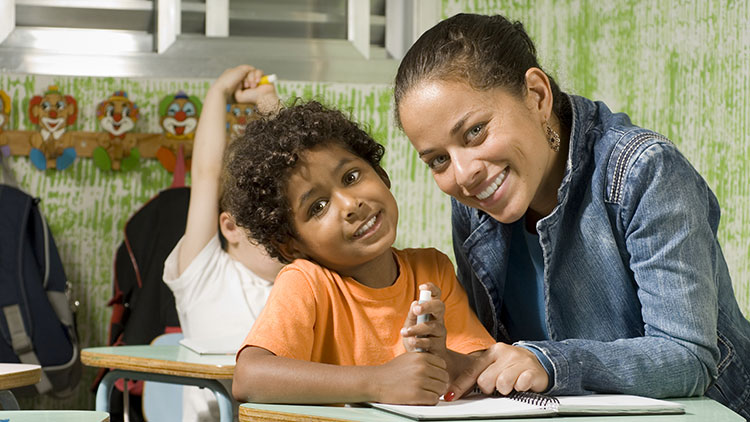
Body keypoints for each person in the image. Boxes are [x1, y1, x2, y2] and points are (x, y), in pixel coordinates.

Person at [392, 12, 750, 419]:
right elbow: (503, 354)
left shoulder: (643, 171)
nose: (463, 173)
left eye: (474, 131)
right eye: (438, 159)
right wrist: (464, 362)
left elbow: (687, 357)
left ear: (537, 95)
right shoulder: (473, 200)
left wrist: (548, 362)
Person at [223, 100, 497, 405]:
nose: (351, 205)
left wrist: (441, 356)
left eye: (351, 177)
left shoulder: (432, 269)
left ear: (380, 174)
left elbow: (479, 368)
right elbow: (250, 377)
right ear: (291, 243)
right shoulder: (307, 283)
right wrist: (379, 382)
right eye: (318, 207)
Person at [162, 65, 285, 421]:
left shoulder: (306, 278)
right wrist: (217, 93)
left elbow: (293, 169)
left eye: (287, 220)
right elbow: (206, 175)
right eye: (267, 223)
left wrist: (266, 99)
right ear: (230, 227)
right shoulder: (204, 273)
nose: (283, 232)